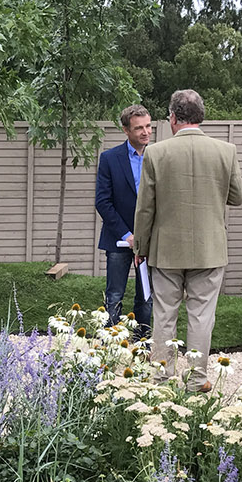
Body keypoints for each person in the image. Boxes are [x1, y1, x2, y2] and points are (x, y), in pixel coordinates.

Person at [132, 89, 242, 391]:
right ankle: (196, 379)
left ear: (172, 118)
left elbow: (145, 208)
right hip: (209, 251)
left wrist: (139, 247)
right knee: (201, 317)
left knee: (164, 315)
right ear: (201, 117)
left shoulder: (156, 153)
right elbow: (238, 197)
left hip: (166, 251)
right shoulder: (226, 151)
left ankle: (162, 378)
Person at [94, 104, 153, 335]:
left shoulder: (159, 156)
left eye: (148, 126)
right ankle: (112, 343)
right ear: (126, 130)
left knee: (146, 296)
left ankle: (142, 342)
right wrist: (127, 235)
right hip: (119, 240)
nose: (146, 132)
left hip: (149, 241)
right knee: (115, 295)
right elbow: (103, 201)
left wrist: (145, 237)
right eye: (139, 128)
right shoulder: (110, 158)